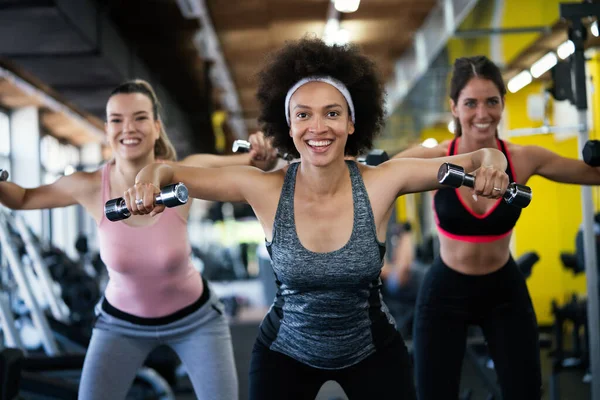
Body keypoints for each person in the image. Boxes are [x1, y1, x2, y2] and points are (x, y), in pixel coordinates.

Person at [127, 38, 512, 400]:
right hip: (285, 352)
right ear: (289, 126)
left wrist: (494, 162)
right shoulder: (265, 188)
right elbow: (170, 172)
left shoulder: (382, 182)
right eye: (303, 115)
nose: (318, 127)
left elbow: (479, 158)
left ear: (351, 122)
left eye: (332, 113)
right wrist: (148, 178)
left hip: (371, 348)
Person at [0, 78, 278, 400]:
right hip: (120, 325)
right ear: (107, 129)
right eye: (117, 120)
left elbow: (256, 166)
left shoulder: (181, 173)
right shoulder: (89, 185)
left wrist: (264, 149)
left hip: (195, 321)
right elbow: (21, 198)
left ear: (157, 127)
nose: (128, 128)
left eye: (140, 118)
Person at [392, 55, 600, 399]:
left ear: (503, 103)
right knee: (433, 393)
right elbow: (372, 179)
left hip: (503, 290)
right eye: (470, 103)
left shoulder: (523, 158)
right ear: (454, 107)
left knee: (525, 391)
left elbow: (589, 173)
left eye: (492, 101)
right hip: (445, 290)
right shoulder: (435, 158)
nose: (482, 113)